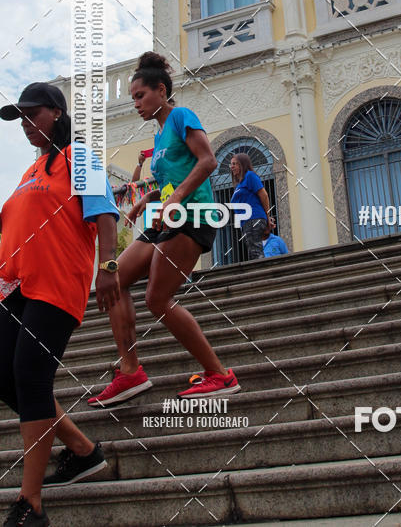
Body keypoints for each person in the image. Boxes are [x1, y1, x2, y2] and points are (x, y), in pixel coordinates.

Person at [87, 51, 240, 407]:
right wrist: (151, 197)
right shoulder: (158, 138)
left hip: (194, 218)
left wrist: (175, 200)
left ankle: (219, 374)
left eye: (140, 96)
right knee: (116, 279)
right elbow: (174, 178)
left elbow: (207, 161)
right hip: (167, 217)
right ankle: (130, 372)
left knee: (156, 299)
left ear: (161, 90)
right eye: (133, 98)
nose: (136, 104)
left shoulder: (181, 116)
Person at [0, 83, 121, 527]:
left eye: (33, 114)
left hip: (56, 287)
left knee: (31, 375)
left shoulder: (80, 157)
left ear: (56, 113)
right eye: (20, 118)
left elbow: (104, 212)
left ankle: (30, 504)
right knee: (6, 378)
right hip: (14, 288)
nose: (27, 125)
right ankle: (84, 452)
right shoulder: (31, 172)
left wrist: (108, 265)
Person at [229, 153, 275, 261]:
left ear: (242, 164)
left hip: (253, 218)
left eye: (235, 164)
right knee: (254, 251)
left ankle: (262, 275)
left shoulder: (249, 176)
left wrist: (267, 217)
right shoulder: (239, 184)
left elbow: (264, 195)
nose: (232, 167)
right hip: (246, 222)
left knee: (255, 252)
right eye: (231, 164)